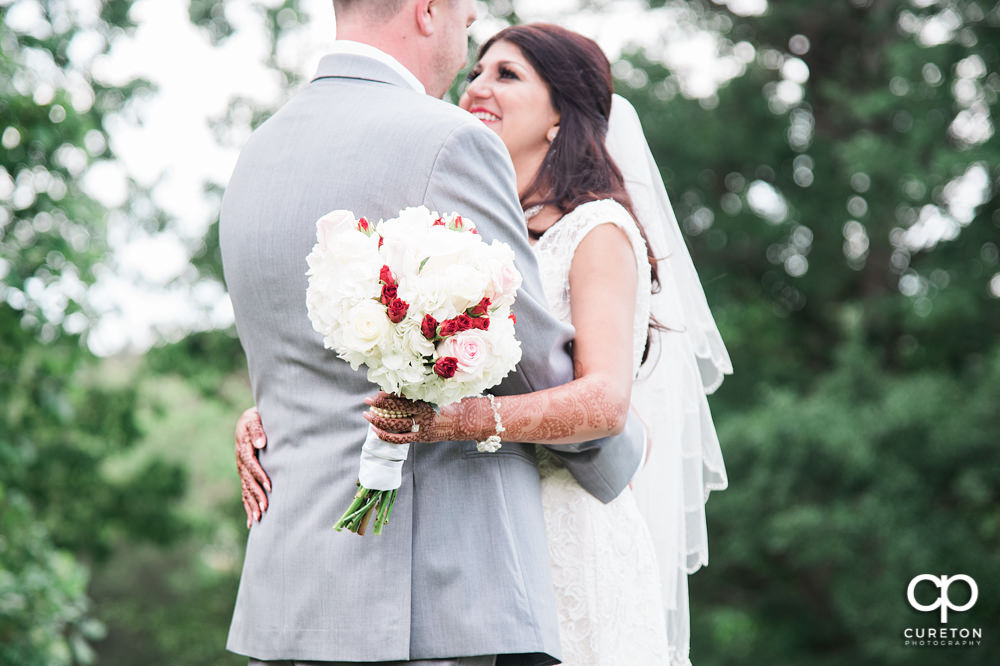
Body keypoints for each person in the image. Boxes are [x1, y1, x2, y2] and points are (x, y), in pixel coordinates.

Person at [236, 22, 731, 666]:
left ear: (561, 117)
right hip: (482, 549)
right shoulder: (454, 228)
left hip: (566, 529)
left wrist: (460, 420)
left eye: (508, 75)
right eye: (478, 72)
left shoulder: (597, 231)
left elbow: (606, 400)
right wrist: (273, 409)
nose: (478, 87)